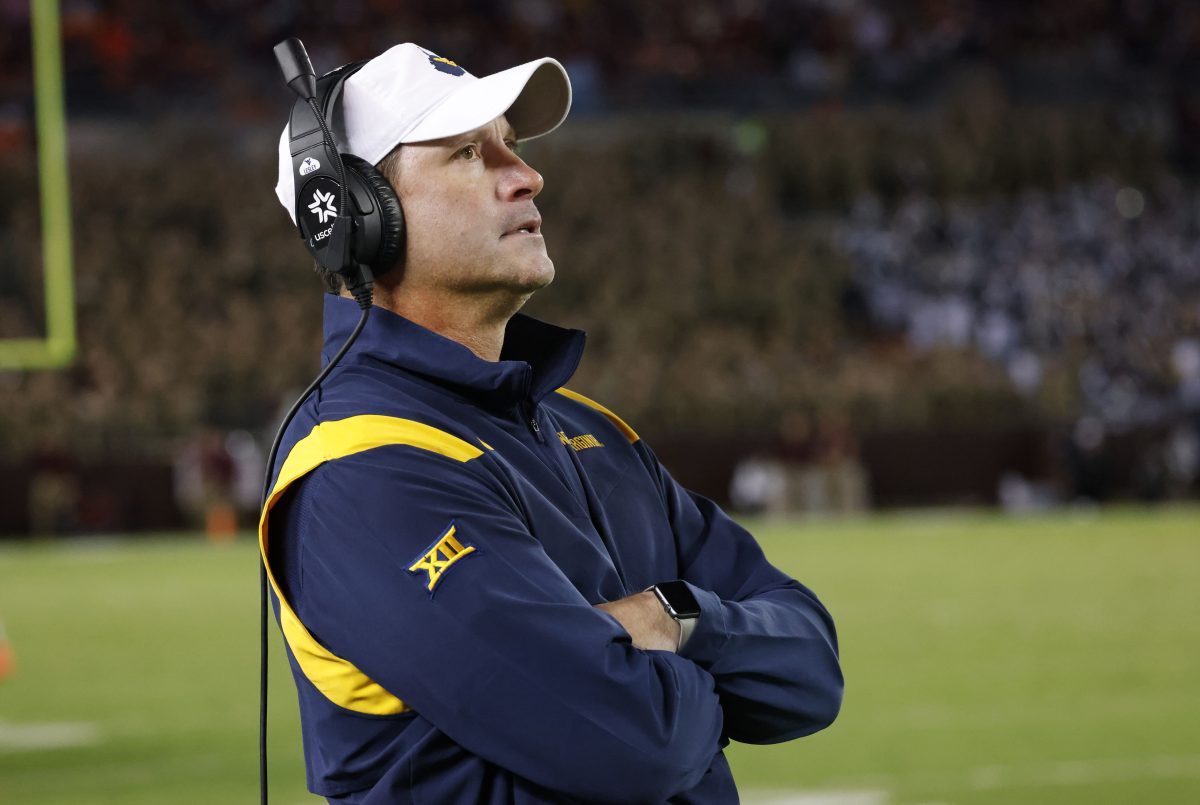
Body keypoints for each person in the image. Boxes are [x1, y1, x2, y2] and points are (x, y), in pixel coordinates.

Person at [262, 42, 842, 804]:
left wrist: (675, 620)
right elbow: (639, 741)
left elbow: (811, 669)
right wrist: (702, 678)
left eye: (515, 144)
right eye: (470, 153)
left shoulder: (593, 430)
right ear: (357, 217)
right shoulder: (359, 470)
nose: (528, 175)